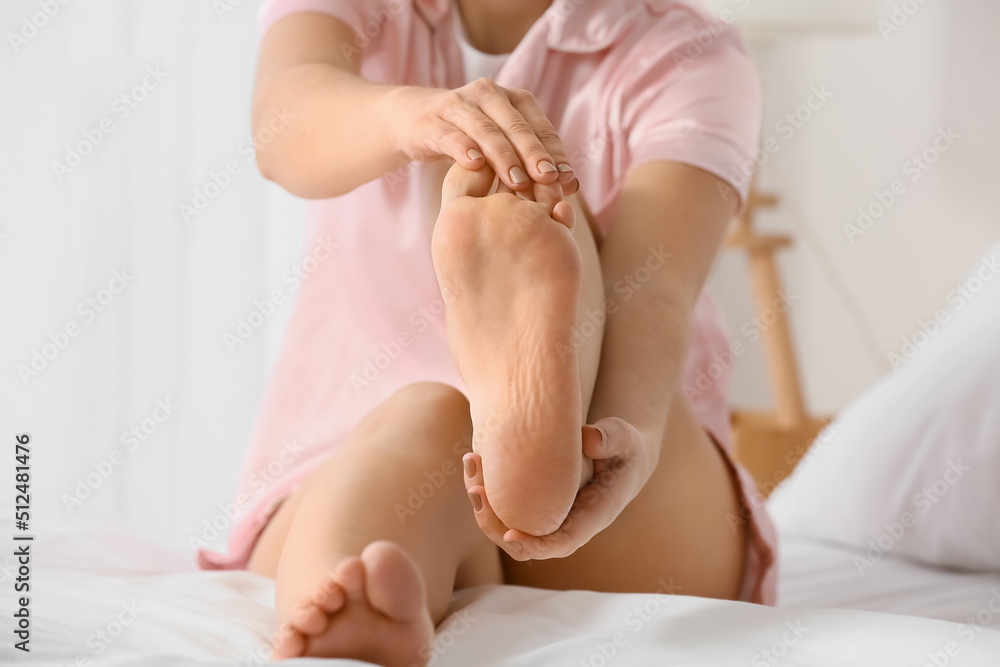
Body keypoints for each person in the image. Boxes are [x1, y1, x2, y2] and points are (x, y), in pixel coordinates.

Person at [197, 0, 777, 663]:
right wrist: (412, 116)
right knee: (428, 421)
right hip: (406, 454)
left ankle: (365, 575)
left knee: (542, 220)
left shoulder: (688, 51)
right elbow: (285, 123)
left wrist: (630, 437)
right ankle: (369, 598)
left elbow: (651, 290)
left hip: (621, 457)